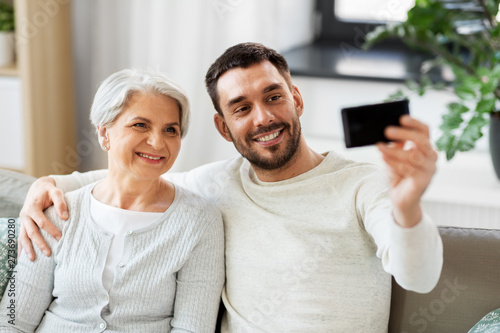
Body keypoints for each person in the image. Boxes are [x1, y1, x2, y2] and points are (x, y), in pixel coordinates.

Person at [18, 43, 442, 332]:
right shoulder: (216, 184)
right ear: (224, 128)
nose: (262, 118)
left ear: (296, 98)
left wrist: (408, 209)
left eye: (273, 97)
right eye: (241, 108)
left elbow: (418, 277)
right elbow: (134, 176)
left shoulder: (363, 185)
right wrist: (50, 184)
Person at [0, 69, 225, 332]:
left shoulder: (200, 220)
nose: (157, 142)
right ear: (104, 133)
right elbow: (14, 319)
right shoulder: (55, 212)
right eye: (140, 124)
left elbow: (192, 327)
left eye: (170, 130)